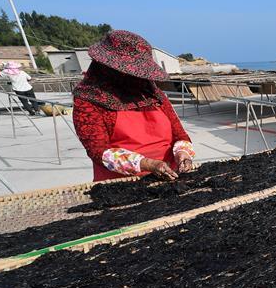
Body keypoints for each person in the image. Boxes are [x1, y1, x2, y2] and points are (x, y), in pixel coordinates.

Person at [72, 30, 195, 181]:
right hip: (123, 182)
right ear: (106, 68)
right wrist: (148, 164)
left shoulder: (153, 93)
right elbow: (98, 151)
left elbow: (180, 135)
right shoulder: (89, 99)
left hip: (170, 175)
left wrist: (183, 153)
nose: (135, 77)